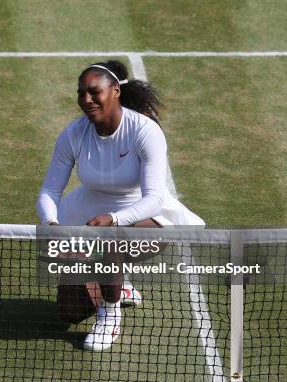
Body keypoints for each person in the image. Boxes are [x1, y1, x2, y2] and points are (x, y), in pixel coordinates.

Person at [36, 60, 204, 351]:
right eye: (81, 93)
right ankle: (119, 284)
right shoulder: (73, 134)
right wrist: (53, 226)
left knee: (111, 242)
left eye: (93, 92)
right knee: (70, 312)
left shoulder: (144, 131)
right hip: (88, 214)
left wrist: (114, 219)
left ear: (115, 91)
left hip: (149, 219)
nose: (86, 100)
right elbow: (50, 190)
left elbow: (154, 199)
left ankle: (110, 315)